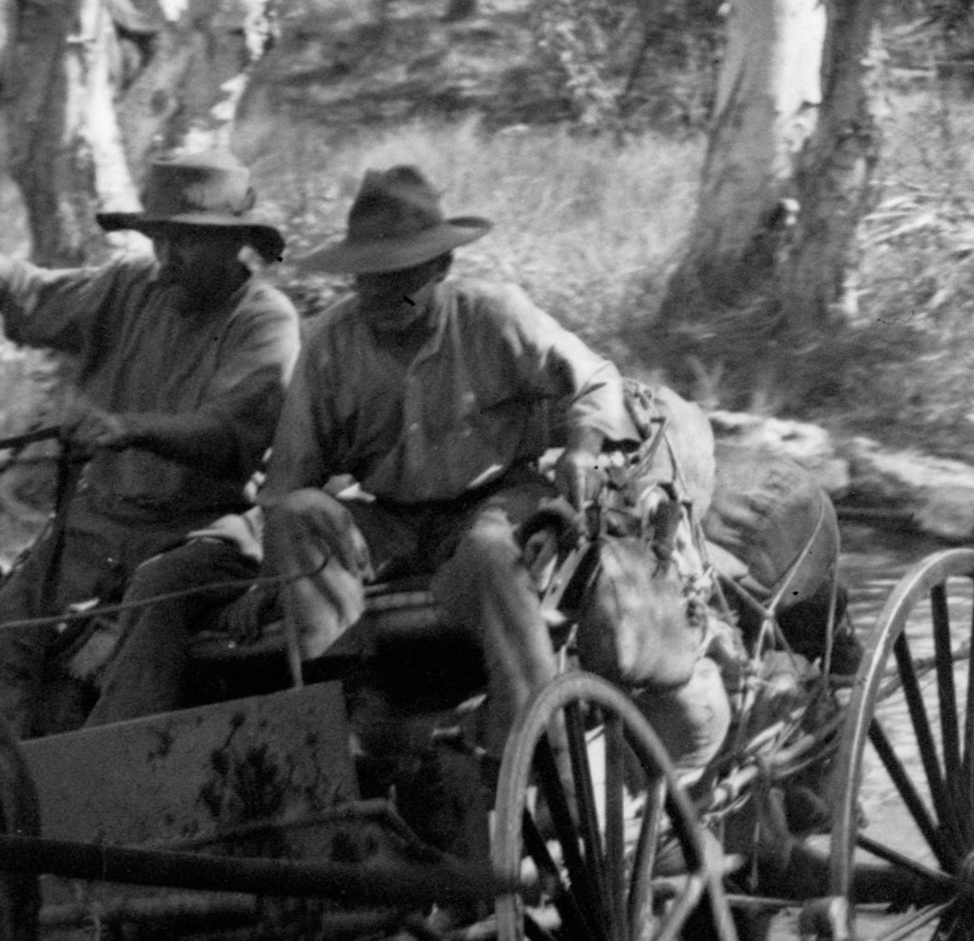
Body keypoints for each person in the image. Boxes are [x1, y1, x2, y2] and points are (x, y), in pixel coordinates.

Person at [246, 161, 729, 766]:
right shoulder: (329, 345)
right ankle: (345, 708)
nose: (380, 294)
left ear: (441, 268)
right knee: (298, 515)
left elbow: (596, 380)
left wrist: (580, 449)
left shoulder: (493, 316)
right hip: (391, 517)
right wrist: (289, 532)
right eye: (366, 278)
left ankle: (528, 734)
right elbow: (289, 477)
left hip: (498, 496)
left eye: (400, 277)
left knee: (485, 557)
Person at [0, 148, 300, 735]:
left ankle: (113, 774)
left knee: (155, 608)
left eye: (182, 243)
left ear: (234, 244)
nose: (165, 260)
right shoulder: (132, 287)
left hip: (199, 532)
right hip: (92, 530)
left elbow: (227, 432)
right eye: (158, 241)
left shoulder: (265, 321)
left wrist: (132, 428)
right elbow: (27, 293)